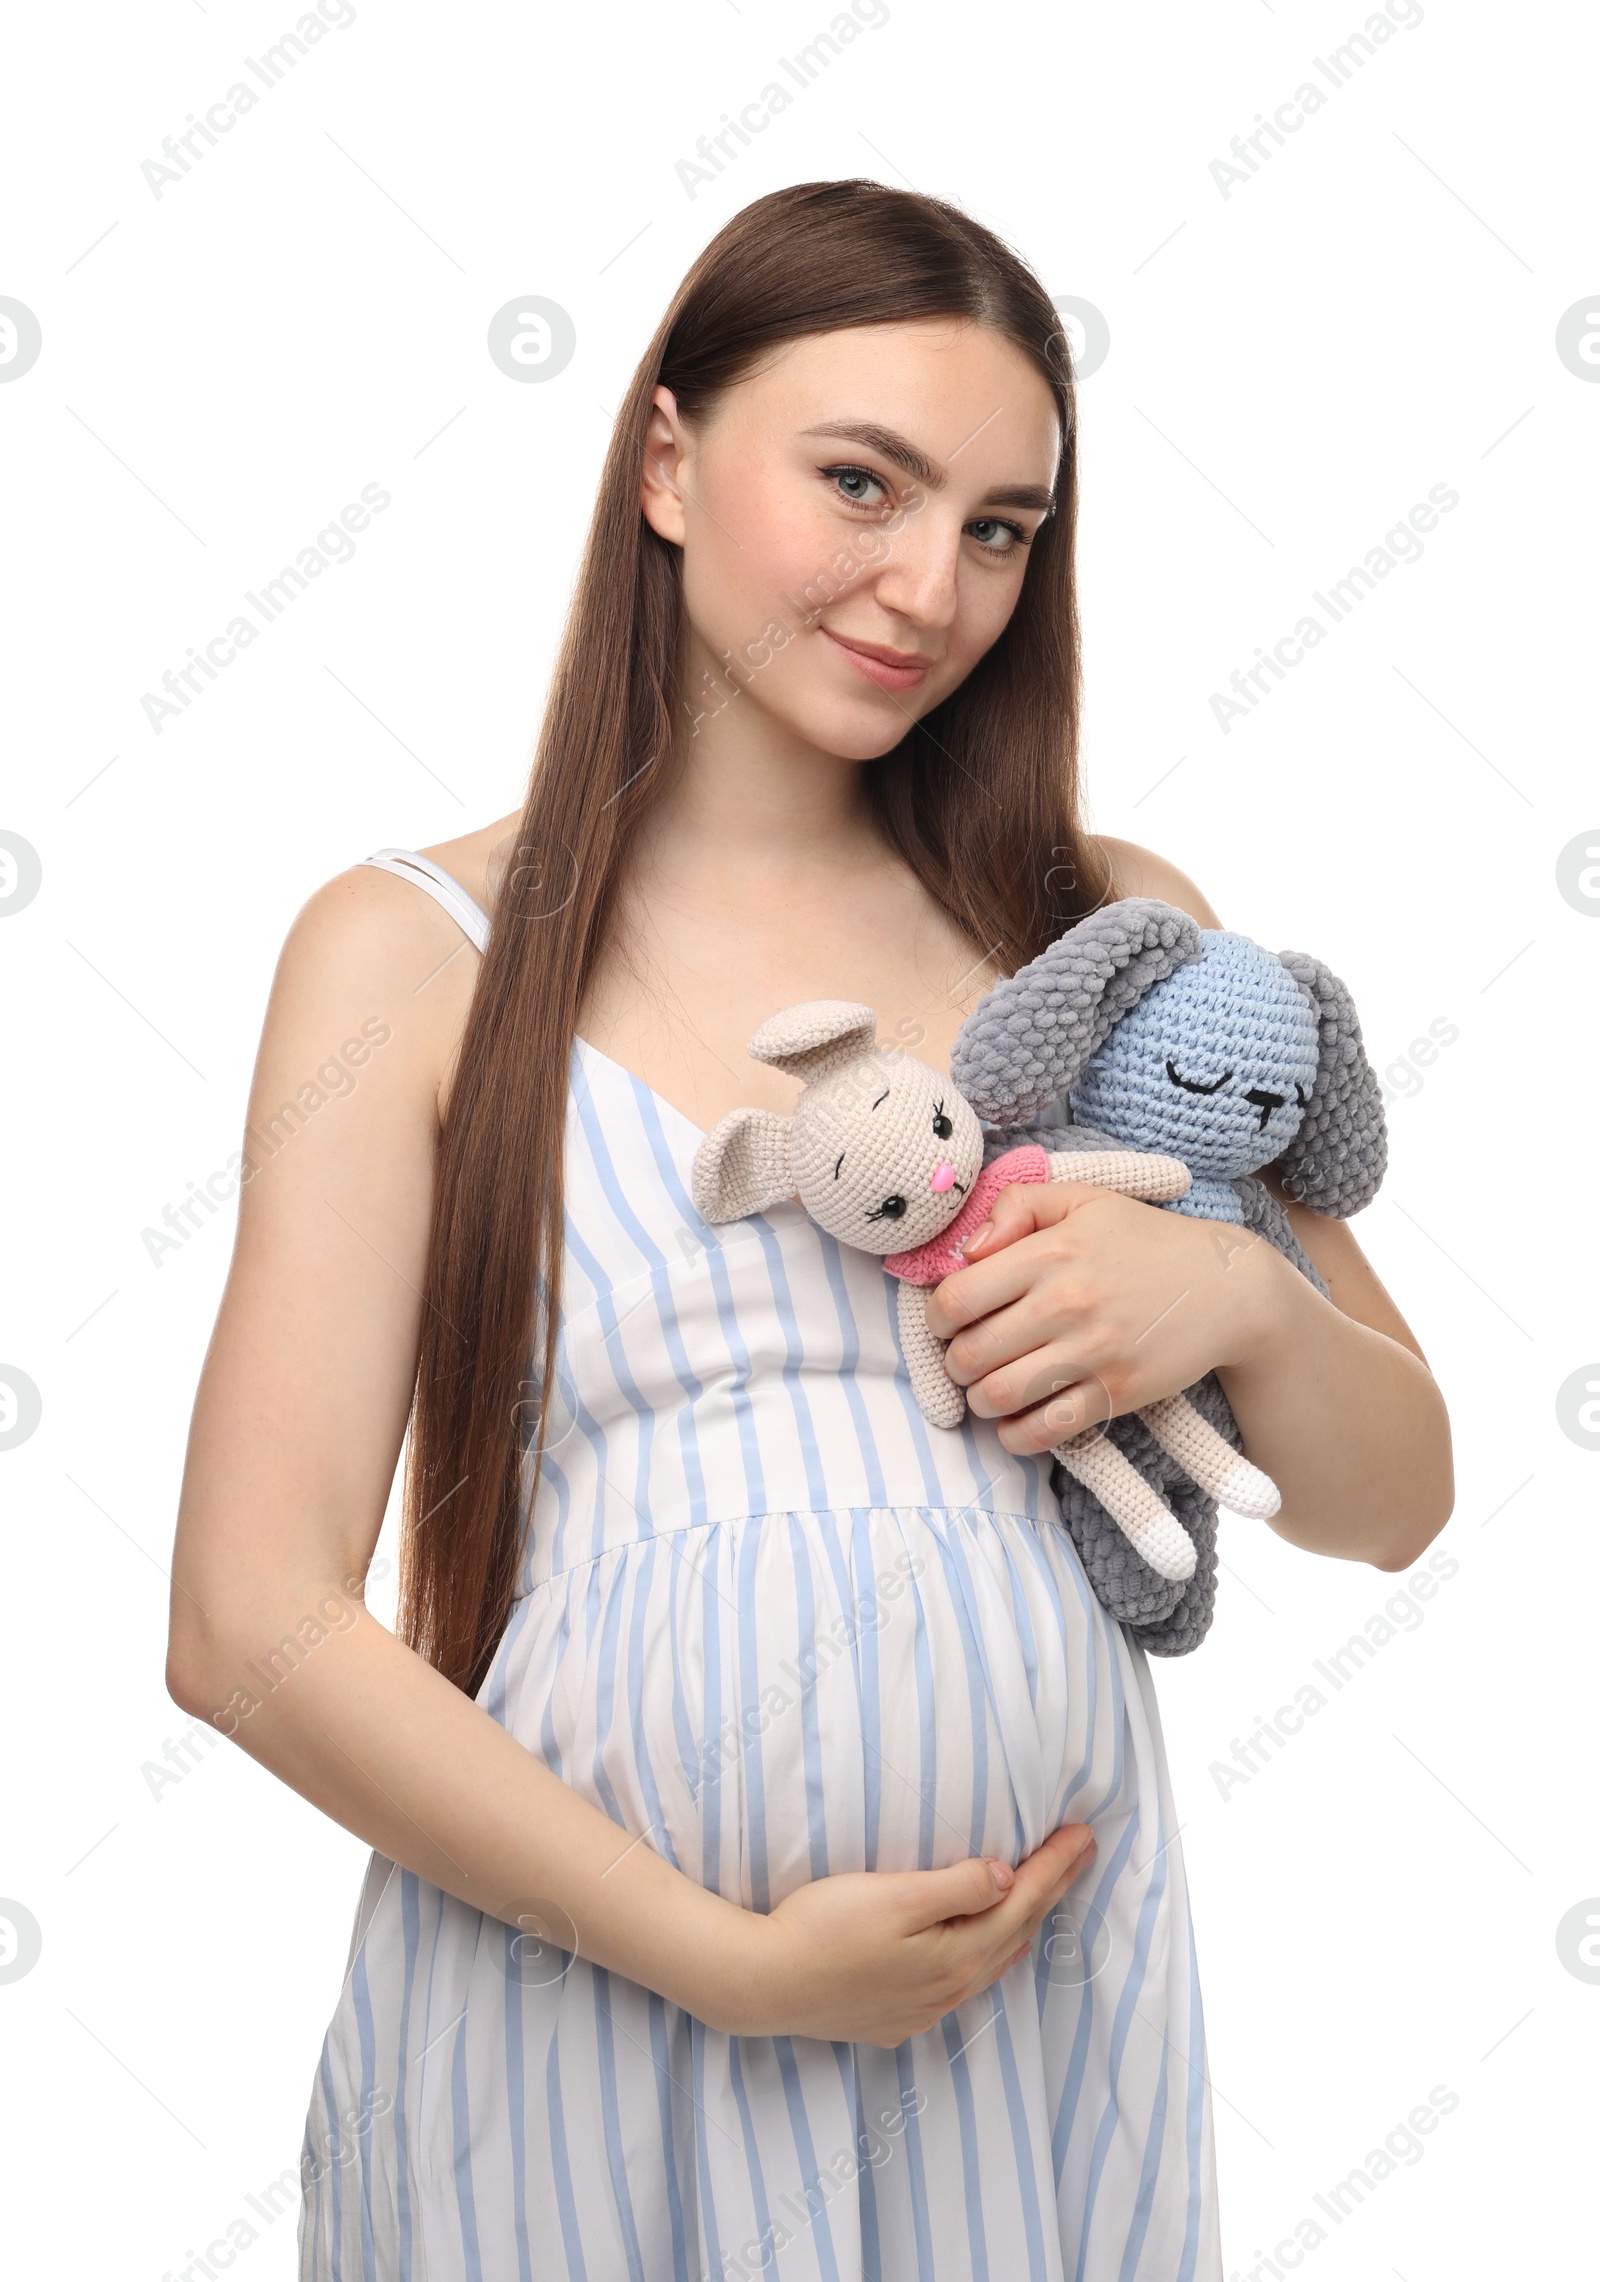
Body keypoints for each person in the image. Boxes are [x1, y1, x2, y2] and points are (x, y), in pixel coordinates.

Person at [166, 179, 1452, 2280]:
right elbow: (248, 1618)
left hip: (1023, 2033)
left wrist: (1229, 1290)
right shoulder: (413, 955)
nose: (926, 583)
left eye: (996, 526)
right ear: (665, 462)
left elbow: (1395, 1498)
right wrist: (722, 1959)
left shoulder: (1102, 925)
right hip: (579, 2015)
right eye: (857, 480)